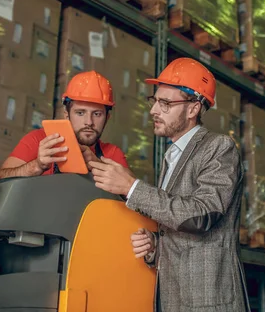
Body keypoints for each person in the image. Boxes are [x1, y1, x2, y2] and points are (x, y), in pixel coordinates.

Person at [88, 58, 249, 311]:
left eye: (165, 103)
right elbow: (178, 226)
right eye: (155, 102)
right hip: (175, 300)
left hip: (207, 302)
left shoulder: (218, 148)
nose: (154, 111)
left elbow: (201, 215)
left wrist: (132, 187)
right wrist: (155, 245)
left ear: (193, 109)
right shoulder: (172, 156)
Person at [0, 71, 128, 180]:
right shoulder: (39, 140)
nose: (89, 122)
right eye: (80, 113)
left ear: (107, 118)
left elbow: (132, 193)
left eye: (97, 114)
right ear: (66, 114)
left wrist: (96, 166)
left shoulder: (112, 154)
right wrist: (36, 165)